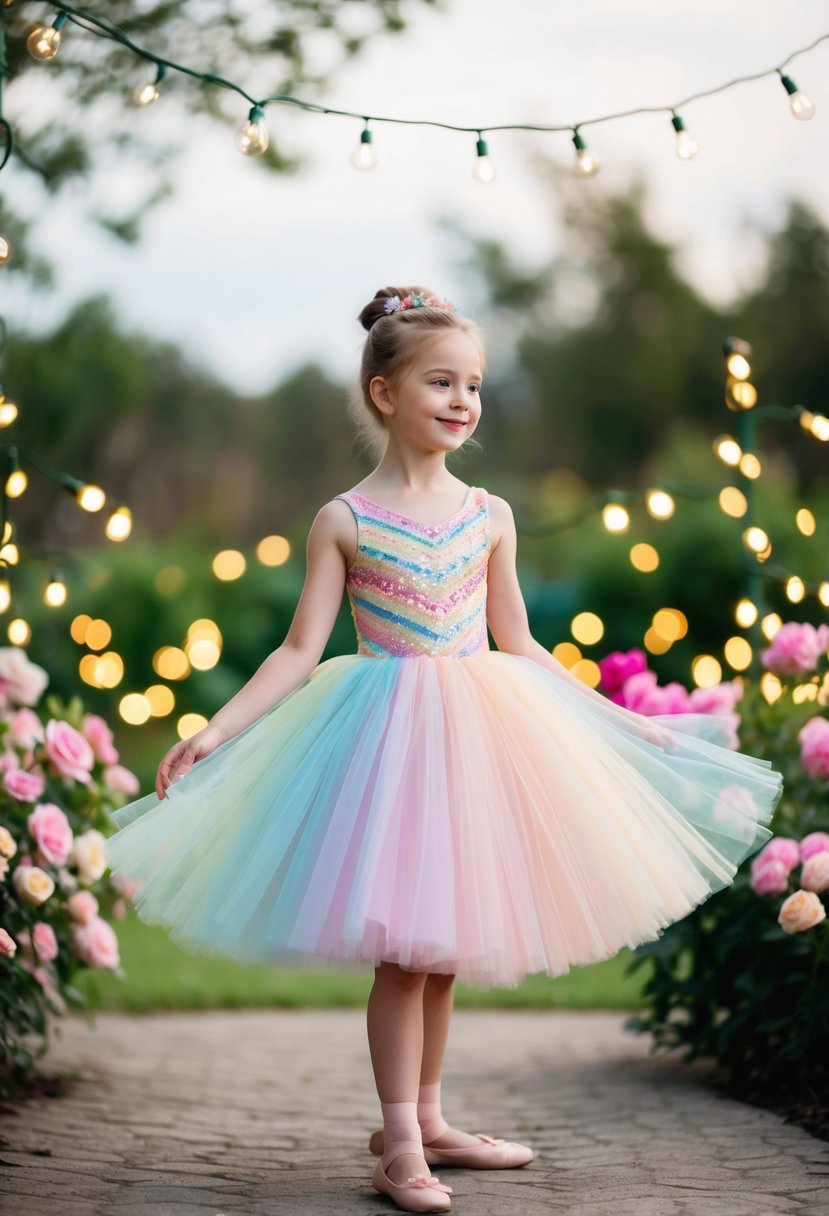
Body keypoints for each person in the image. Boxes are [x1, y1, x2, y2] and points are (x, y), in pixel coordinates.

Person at [105, 285, 784, 1213]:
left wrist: (613, 719)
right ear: (385, 394)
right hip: (380, 746)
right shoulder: (342, 518)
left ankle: (427, 1121)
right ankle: (395, 1143)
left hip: (477, 735)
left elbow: (519, 643)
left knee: (444, 944)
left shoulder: (490, 513)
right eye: (439, 382)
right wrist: (215, 730)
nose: (462, 401)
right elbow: (301, 649)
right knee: (402, 951)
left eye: (472, 384)